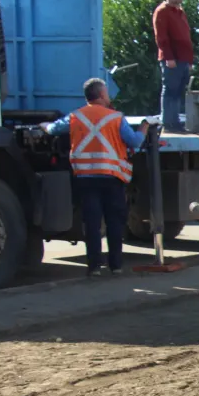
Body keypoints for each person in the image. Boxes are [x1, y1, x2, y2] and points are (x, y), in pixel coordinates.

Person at [43, 78, 148, 277]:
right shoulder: (115, 118)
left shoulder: (75, 117)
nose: (109, 96)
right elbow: (134, 142)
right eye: (107, 92)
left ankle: (93, 268)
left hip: (85, 179)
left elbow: (52, 129)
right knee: (114, 223)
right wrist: (143, 128)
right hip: (111, 178)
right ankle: (116, 266)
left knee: (91, 224)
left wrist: (43, 126)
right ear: (100, 95)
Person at [153, 0, 193, 133]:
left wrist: (189, 60)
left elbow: (186, 37)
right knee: (170, 90)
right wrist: (169, 57)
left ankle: (175, 122)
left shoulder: (180, 12)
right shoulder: (162, 11)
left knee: (178, 91)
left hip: (183, 59)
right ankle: (168, 123)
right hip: (172, 59)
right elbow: (161, 37)